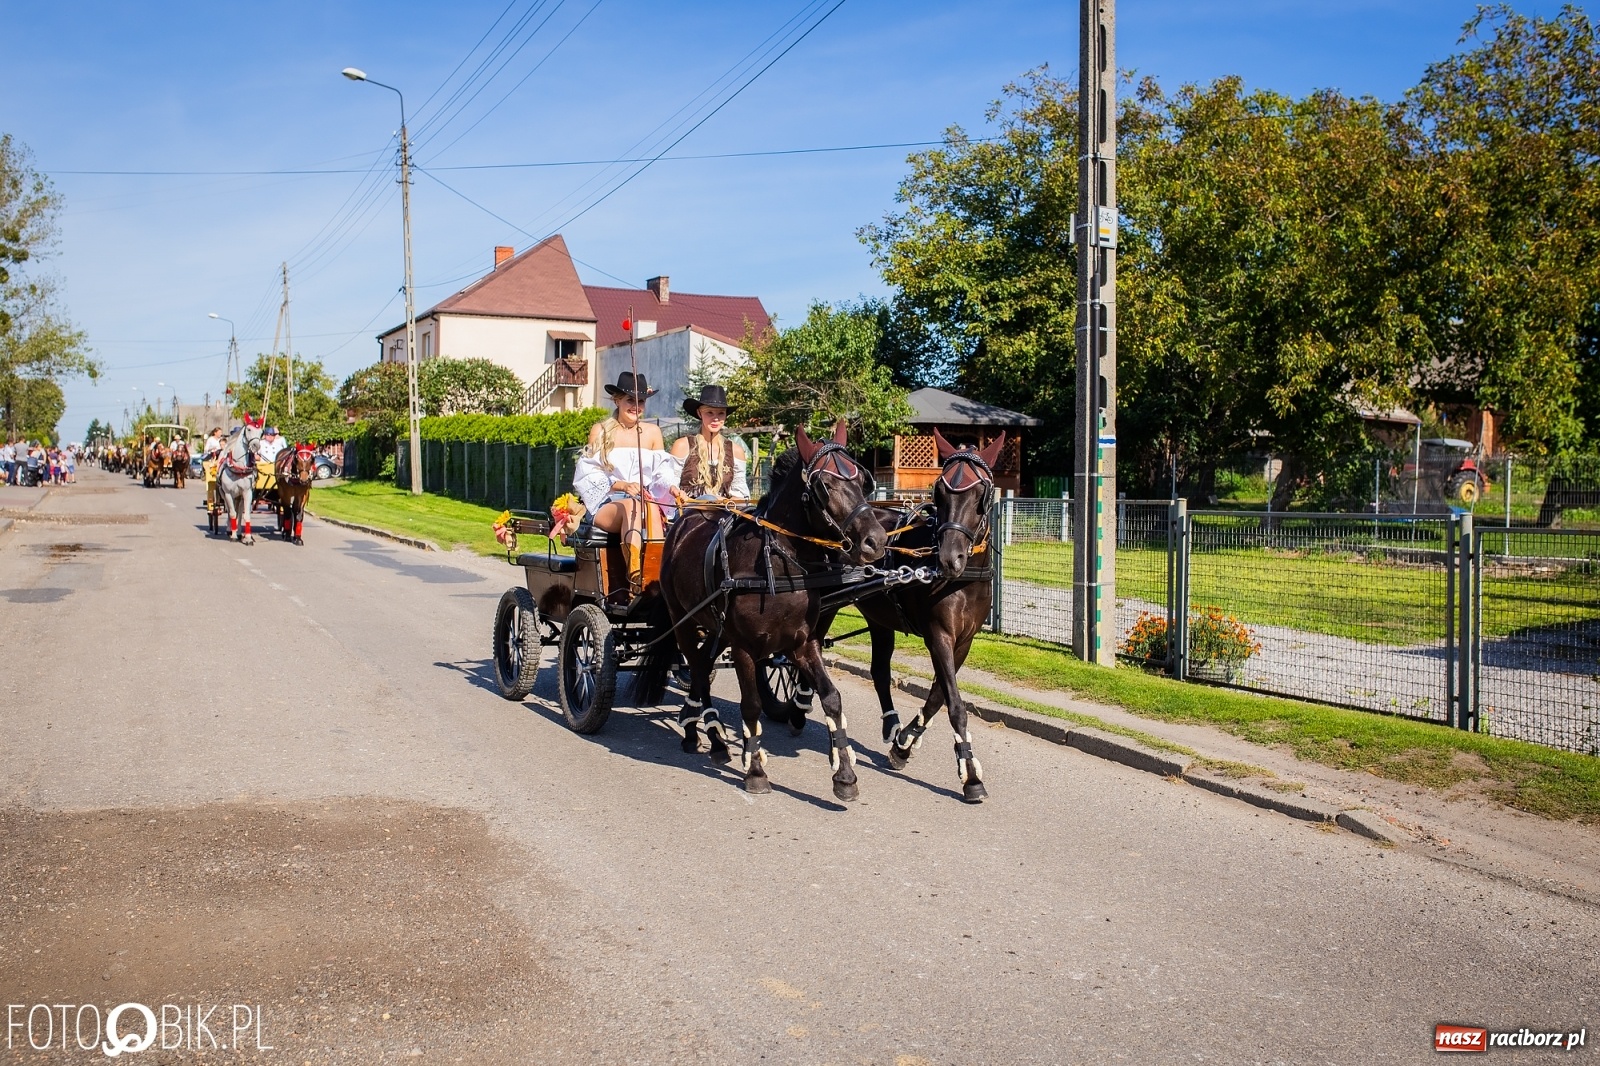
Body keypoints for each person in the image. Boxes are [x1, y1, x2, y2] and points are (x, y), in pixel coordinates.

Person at [572, 371, 675, 591]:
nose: (635, 406)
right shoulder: (600, 431)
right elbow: (589, 475)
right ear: (617, 400)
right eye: (630, 400)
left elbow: (662, 473)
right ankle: (635, 577)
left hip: (644, 502)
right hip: (607, 503)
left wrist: (674, 488)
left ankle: (657, 578)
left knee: (652, 507)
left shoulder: (653, 432)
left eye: (641, 401)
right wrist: (622, 485)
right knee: (632, 505)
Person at [669, 384, 750, 503]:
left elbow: (741, 495)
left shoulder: (736, 451)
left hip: (724, 514)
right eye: (710, 413)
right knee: (708, 499)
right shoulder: (682, 445)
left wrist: (726, 501)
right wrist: (677, 492)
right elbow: (670, 484)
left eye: (721, 413)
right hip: (689, 513)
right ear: (699, 413)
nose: (716, 419)